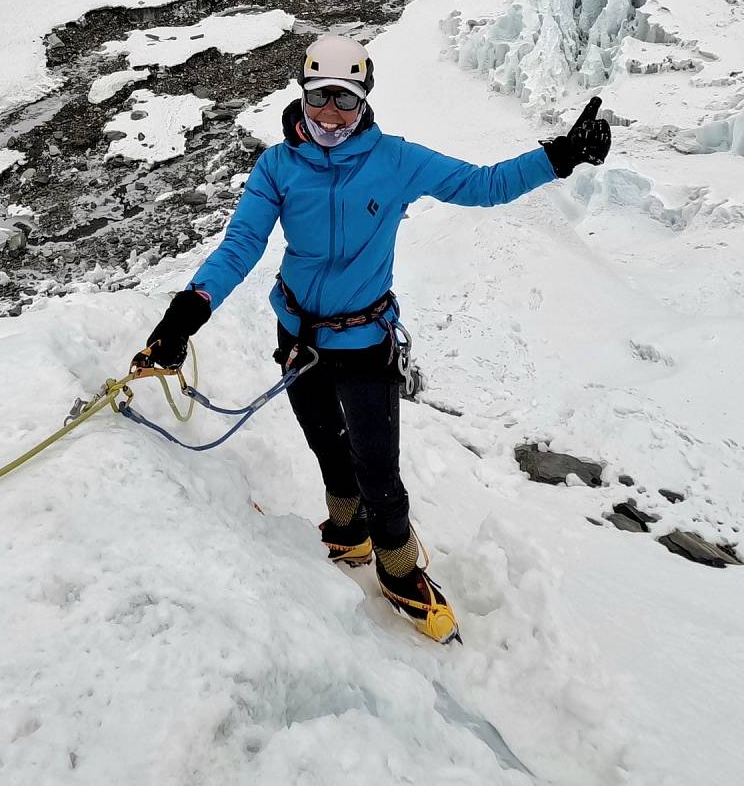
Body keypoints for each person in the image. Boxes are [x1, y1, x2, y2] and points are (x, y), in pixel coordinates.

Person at [144, 35, 611, 644]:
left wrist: (557, 158)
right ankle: (348, 531)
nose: (330, 116)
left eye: (344, 100)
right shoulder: (277, 167)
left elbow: (482, 185)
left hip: (364, 342)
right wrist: (187, 313)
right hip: (297, 337)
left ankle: (398, 567)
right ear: (303, 97)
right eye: (319, 100)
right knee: (327, 448)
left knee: (377, 467)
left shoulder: (394, 161)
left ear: (364, 99)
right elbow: (241, 247)